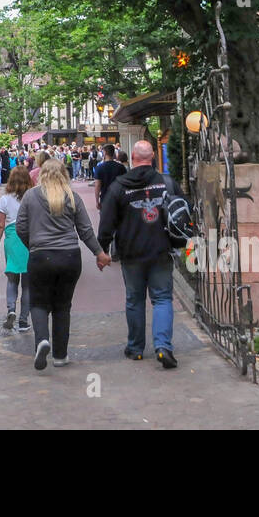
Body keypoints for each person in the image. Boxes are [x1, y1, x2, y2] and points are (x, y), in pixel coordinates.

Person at [16, 158, 110, 370]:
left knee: (38, 302)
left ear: (42, 175)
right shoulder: (72, 196)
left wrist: (32, 244)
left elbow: (21, 226)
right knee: (62, 306)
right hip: (69, 257)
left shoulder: (31, 196)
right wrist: (99, 253)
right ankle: (60, 355)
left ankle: (42, 340)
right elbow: (85, 230)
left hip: (40, 256)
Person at [97, 139, 182, 368]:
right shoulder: (167, 183)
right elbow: (183, 213)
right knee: (162, 298)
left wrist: (101, 249)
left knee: (135, 300)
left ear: (133, 158)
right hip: (161, 250)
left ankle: (135, 349)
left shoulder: (118, 186)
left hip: (131, 252)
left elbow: (107, 221)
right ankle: (163, 346)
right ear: (152, 156)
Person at [0, 164, 33, 332]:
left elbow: (0, 225)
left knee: (12, 278)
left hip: (11, 237)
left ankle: (10, 309)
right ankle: (24, 320)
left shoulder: (4, 199)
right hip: (29, 238)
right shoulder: (32, 196)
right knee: (28, 284)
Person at [93, 143, 127, 211]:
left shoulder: (99, 168)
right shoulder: (121, 167)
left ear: (104, 152)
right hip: (119, 197)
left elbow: (97, 185)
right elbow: (125, 183)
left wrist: (97, 201)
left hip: (105, 197)